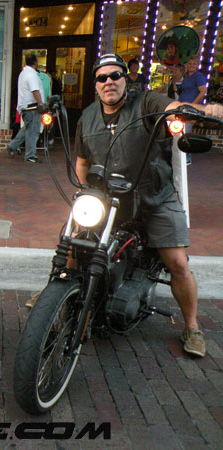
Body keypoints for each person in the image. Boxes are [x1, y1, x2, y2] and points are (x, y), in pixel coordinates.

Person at [74, 53, 223, 357]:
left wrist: (205, 109)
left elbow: (173, 109)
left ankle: (192, 326)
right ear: (96, 84)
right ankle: (55, 293)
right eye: (102, 78)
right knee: (75, 243)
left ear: (125, 79)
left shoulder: (146, 102)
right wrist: (86, 193)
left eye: (115, 75)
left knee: (177, 263)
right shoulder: (87, 116)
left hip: (154, 196)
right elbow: (82, 162)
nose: (109, 82)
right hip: (110, 199)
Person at [16, 54, 45, 163]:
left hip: (25, 106)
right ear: (35, 62)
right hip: (32, 107)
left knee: (27, 129)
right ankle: (30, 155)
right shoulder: (32, 75)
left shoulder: (23, 73)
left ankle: (12, 145)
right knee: (33, 131)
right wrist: (41, 104)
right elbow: (35, 91)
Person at [178, 55, 207, 165]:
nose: (192, 66)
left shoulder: (198, 76)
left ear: (197, 65)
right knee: (180, 131)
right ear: (187, 65)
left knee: (186, 132)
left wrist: (192, 105)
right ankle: (181, 156)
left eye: (194, 64)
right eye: (190, 63)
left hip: (190, 109)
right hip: (183, 107)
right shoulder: (186, 77)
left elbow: (203, 92)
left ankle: (187, 157)